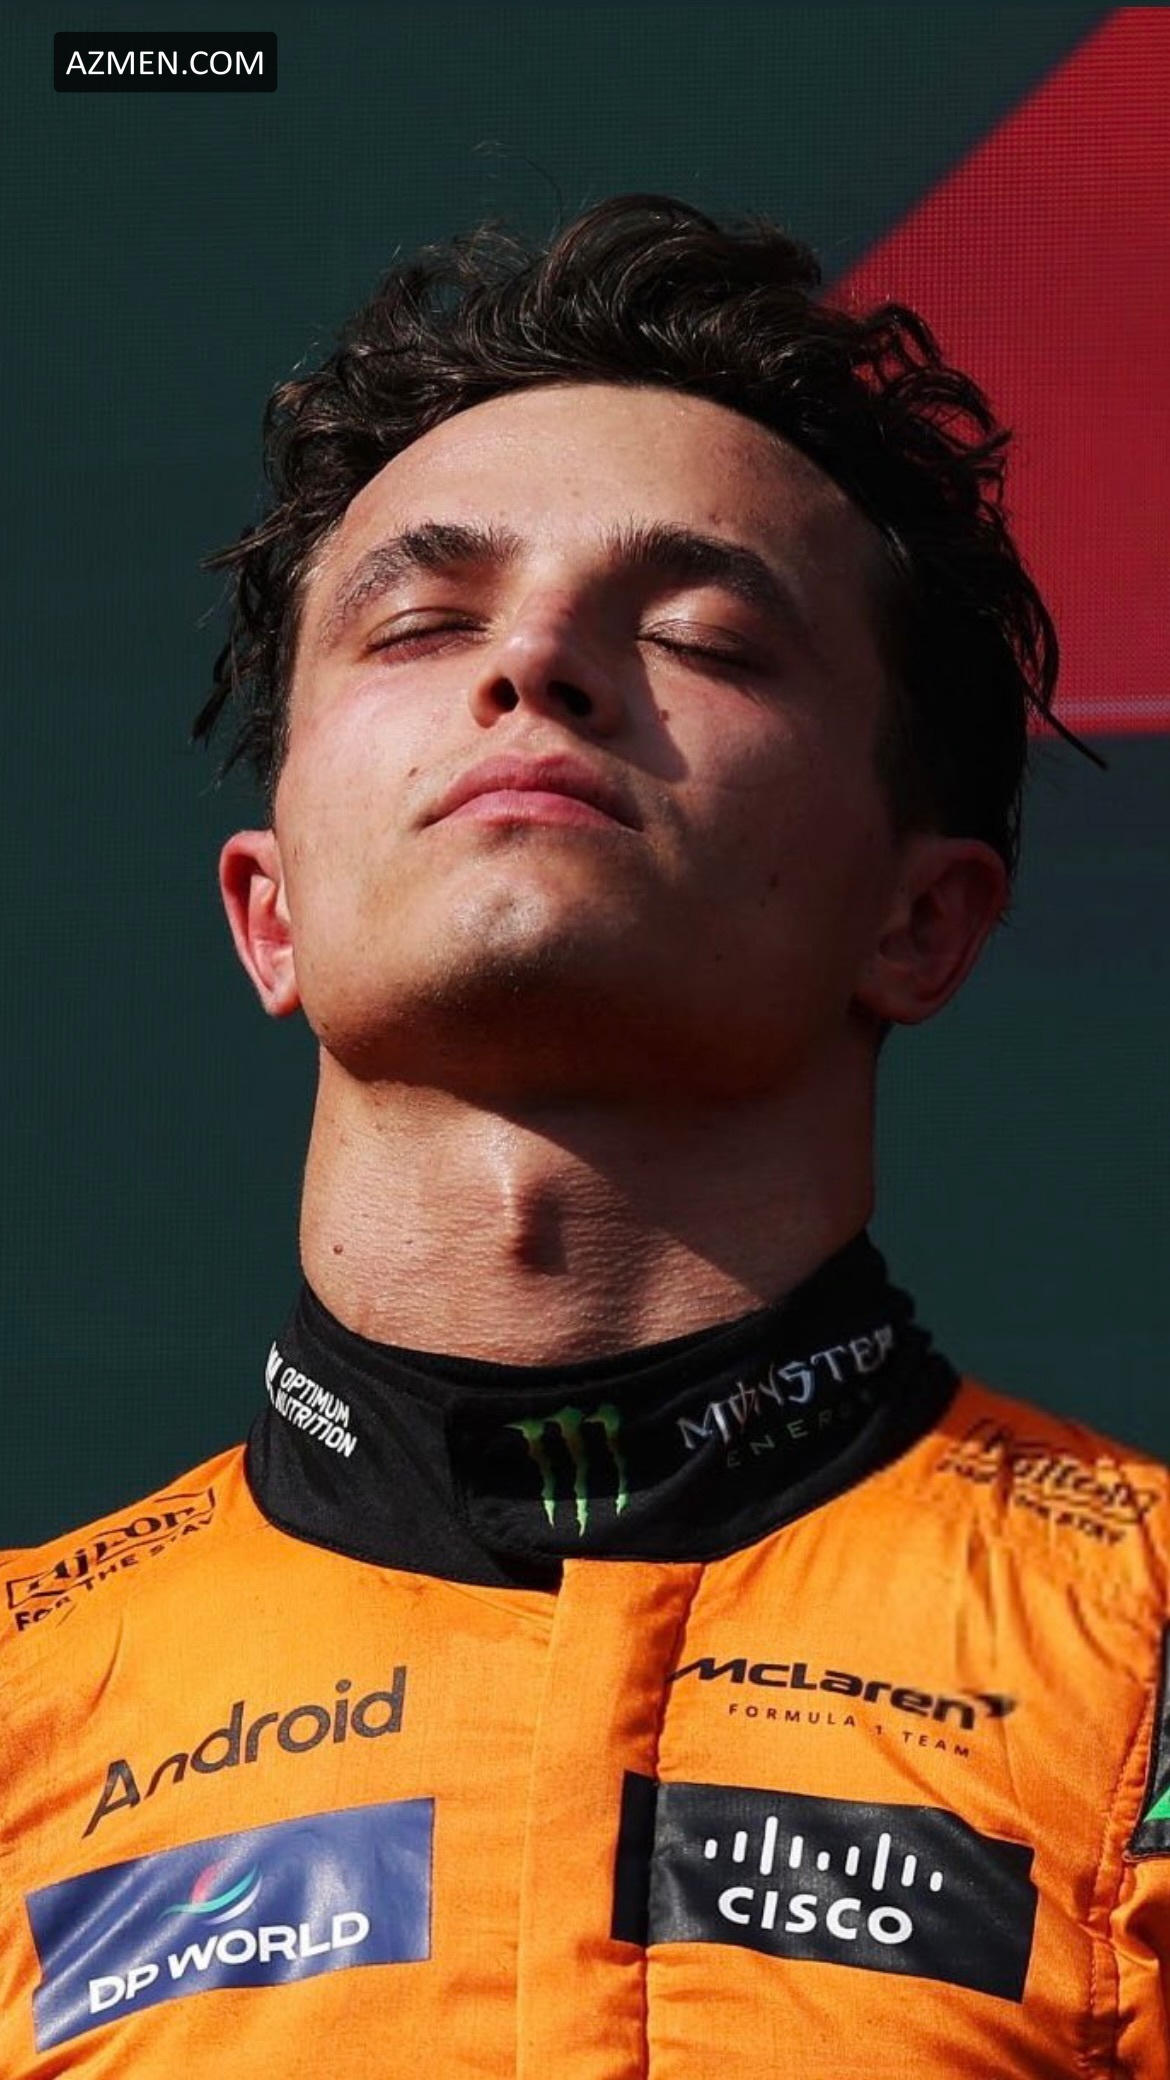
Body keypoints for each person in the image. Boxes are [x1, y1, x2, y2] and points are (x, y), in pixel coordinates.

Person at [2, 195, 1166, 2077]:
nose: (535, 663)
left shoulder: (1148, 1643)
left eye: (705, 634)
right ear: (271, 913)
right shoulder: (24, 1700)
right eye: (422, 622)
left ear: (919, 920)